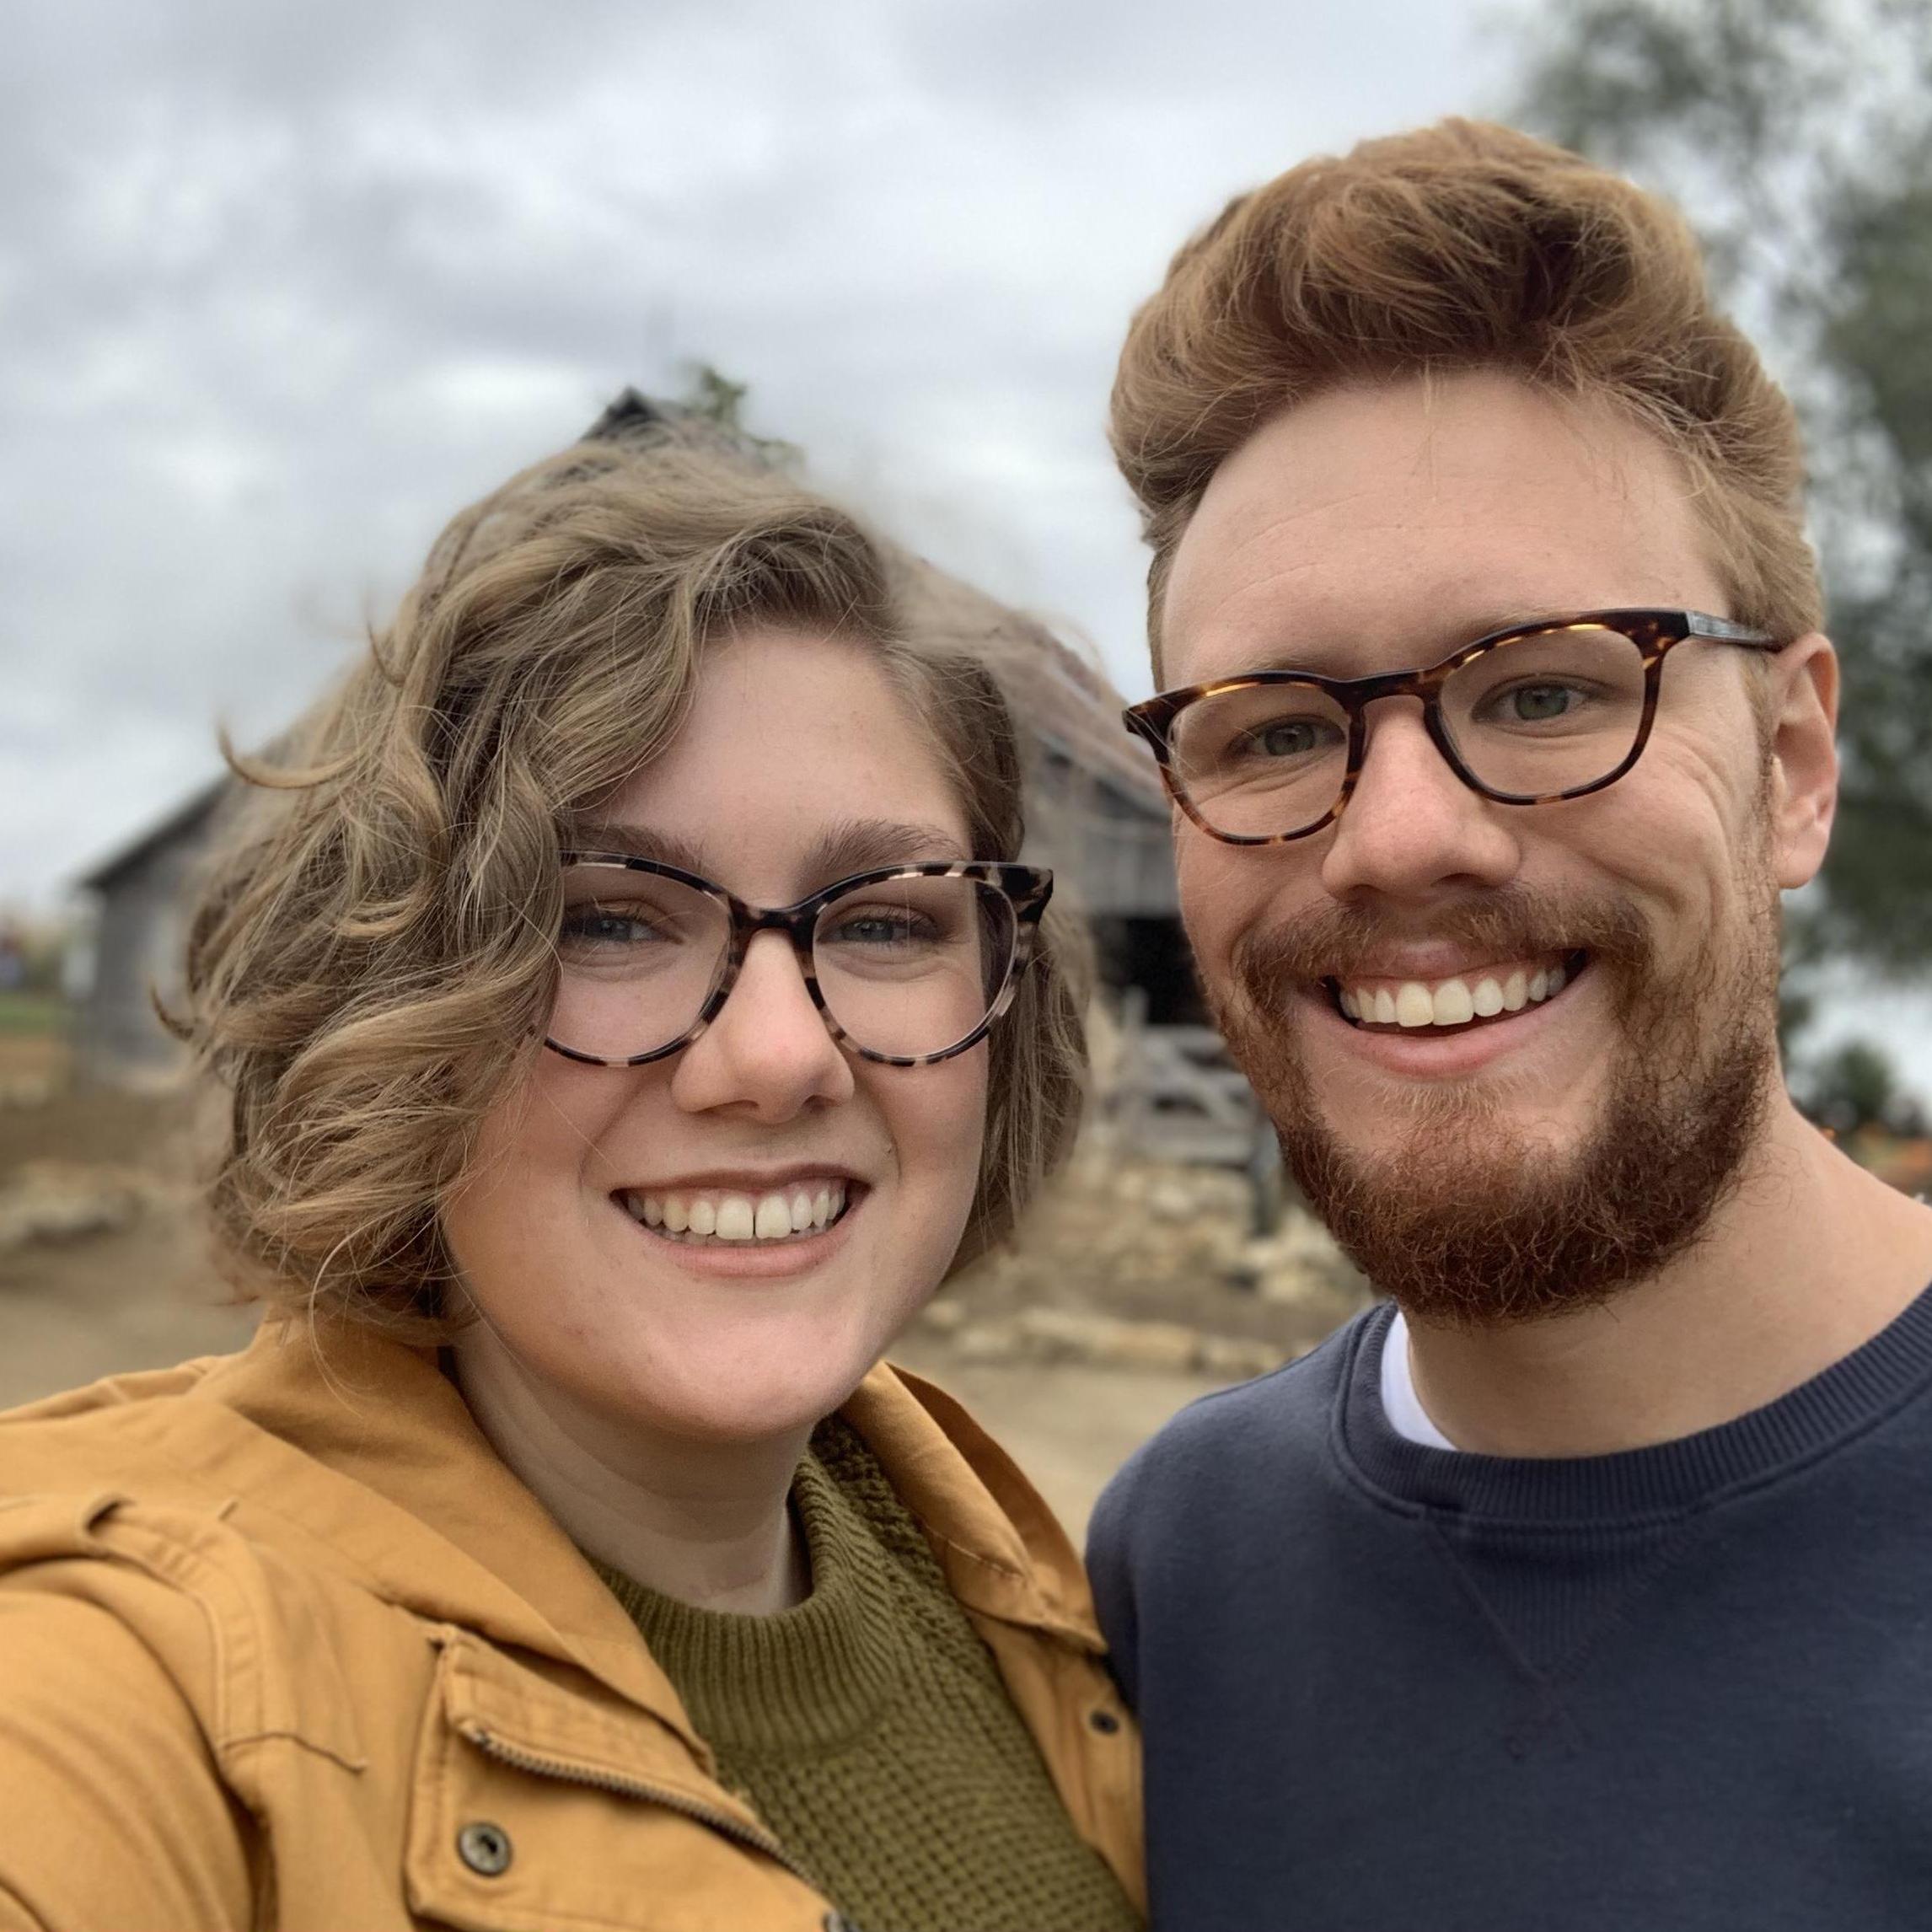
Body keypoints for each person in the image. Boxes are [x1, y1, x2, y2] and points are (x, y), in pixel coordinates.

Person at [0, 407, 1144, 1932]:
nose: (779, 1056)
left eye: (881, 920)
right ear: (391, 1001)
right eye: (609, 918)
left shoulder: (1028, 1584)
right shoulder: (138, 1685)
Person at [1087, 119, 1932, 1930]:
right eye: (1277, 728)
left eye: (1548, 686)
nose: (1399, 838)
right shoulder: (1177, 1569)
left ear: (1792, 766)